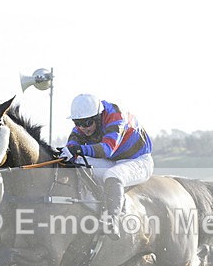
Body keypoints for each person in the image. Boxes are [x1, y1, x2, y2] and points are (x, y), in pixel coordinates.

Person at [64, 94, 153, 239]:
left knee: (113, 175)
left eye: (87, 123)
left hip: (138, 161)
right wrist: (66, 153)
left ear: (98, 117)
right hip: (113, 161)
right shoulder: (82, 126)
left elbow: (107, 149)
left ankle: (112, 222)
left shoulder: (116, 116)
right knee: (78, 162)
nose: (83, 128)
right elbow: (73, 145)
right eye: (77, 123)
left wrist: (78, 150)